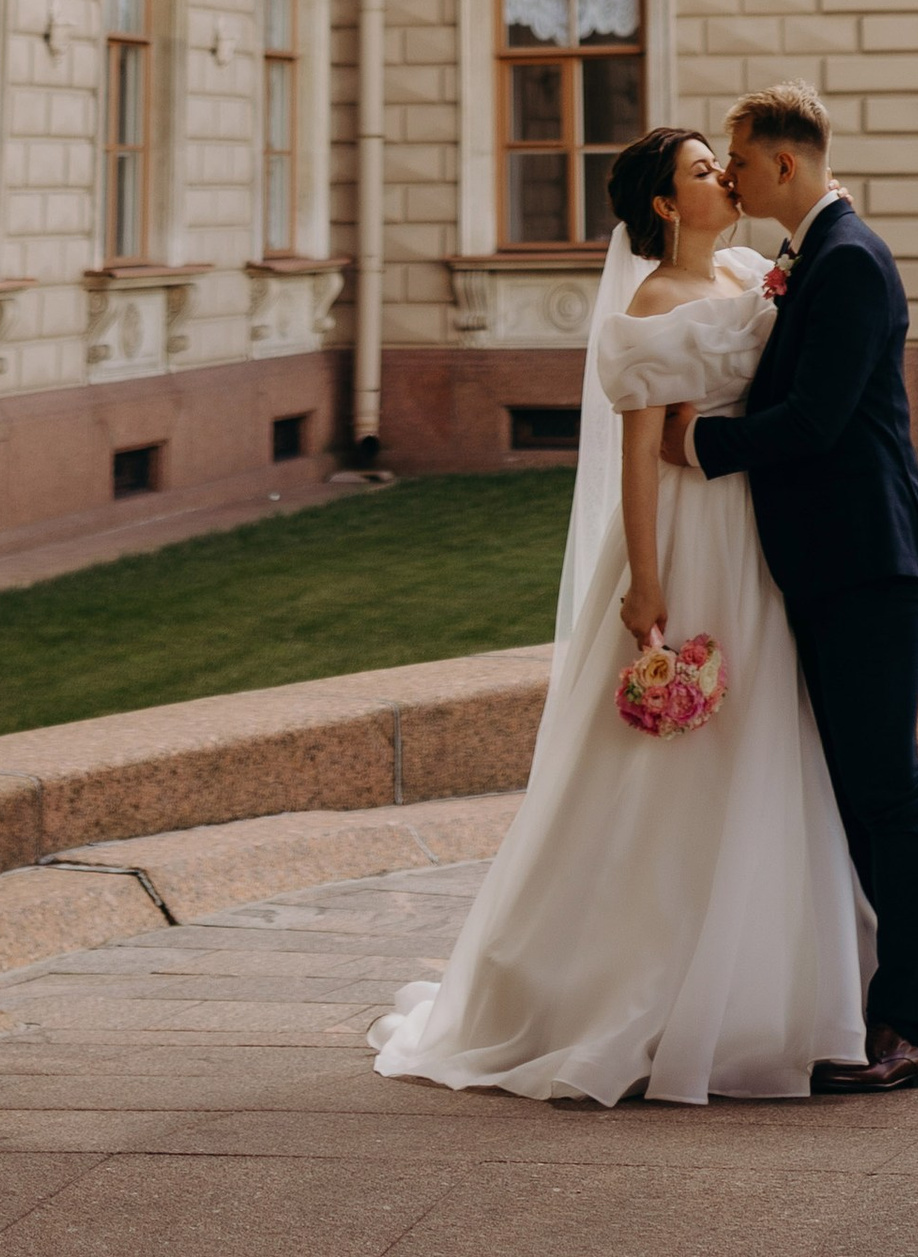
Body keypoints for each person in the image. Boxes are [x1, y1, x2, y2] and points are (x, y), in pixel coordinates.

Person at [367, 123, 870, 1105]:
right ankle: (626, 981)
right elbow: (641, 456)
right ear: (665, 205)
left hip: (753, 528)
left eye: (718, 165)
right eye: (699, 170)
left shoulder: (741, 271)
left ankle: (767, 981)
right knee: (669, 762)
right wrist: (647, 585)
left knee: (764, 734)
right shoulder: (650, 303)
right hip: (688, 534)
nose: (721, 177)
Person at [663, 80, 918, 1096]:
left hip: (868, 559)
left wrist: (697, 443)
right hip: (829, 561)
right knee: (857, 792)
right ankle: (869, 1004)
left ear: (783, 165)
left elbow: (818, 421)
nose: (731, 179)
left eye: (737, 162)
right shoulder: (811, 256)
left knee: (888, 791)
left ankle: (904, 1028)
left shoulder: (851, 262)